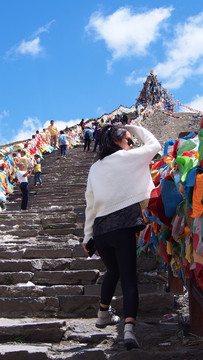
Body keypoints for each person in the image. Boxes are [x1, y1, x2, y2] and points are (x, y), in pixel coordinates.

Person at [83, 123, 161, 350]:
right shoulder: (127, 158)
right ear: (117, 141)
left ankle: (102, 315)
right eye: (129, 140)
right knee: (128, 277)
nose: (132, 143)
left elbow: (90, 201)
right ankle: (129, 331)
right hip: (122, 224)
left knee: (113, 271)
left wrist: (87, 236)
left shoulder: (95, 167)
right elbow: (154, 145)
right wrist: (134, 127)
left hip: (100, 230)